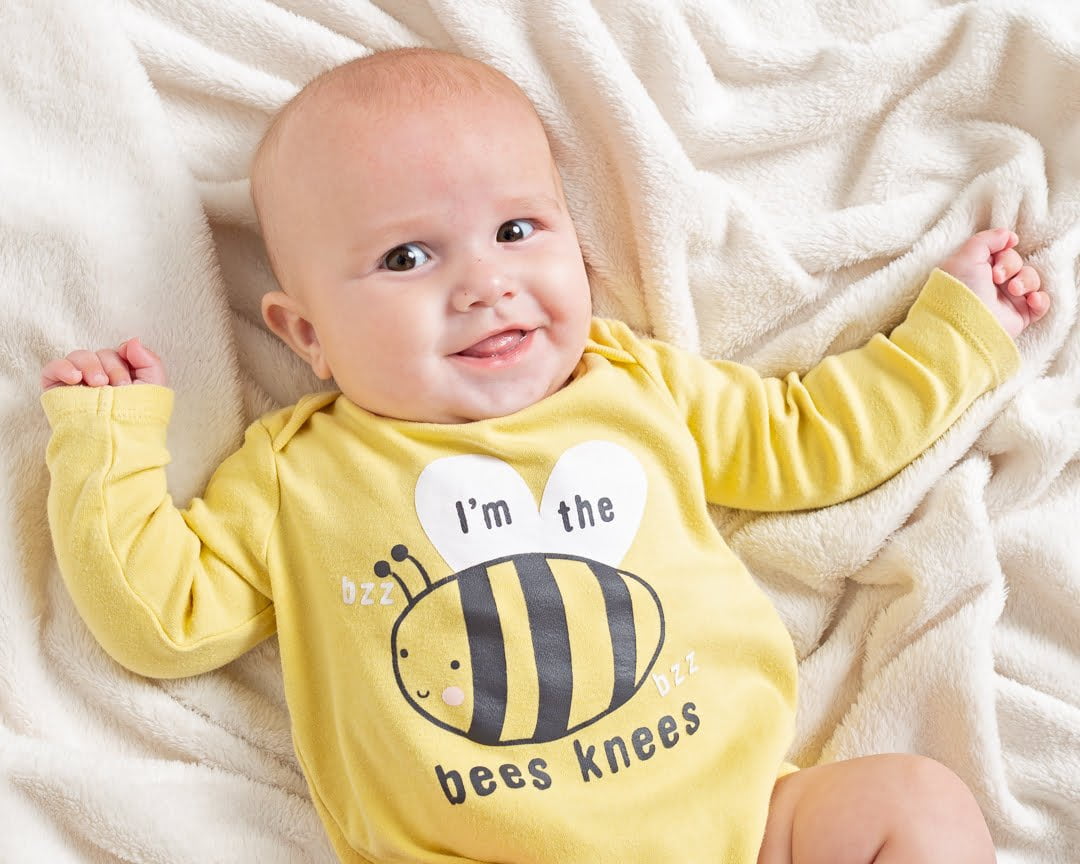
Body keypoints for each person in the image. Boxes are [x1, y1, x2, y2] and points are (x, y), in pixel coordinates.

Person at [40, 47, 1049, 864]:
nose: (485, 284)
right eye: (407, 257)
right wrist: (109, 447)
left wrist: (956, 335)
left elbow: (809, 439)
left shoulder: (635, 386)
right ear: (306, 335)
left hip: (749, 830)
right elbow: (163, 620)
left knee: (915, 803)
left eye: (516, 229)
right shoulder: (297, 472)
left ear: (578, 250)